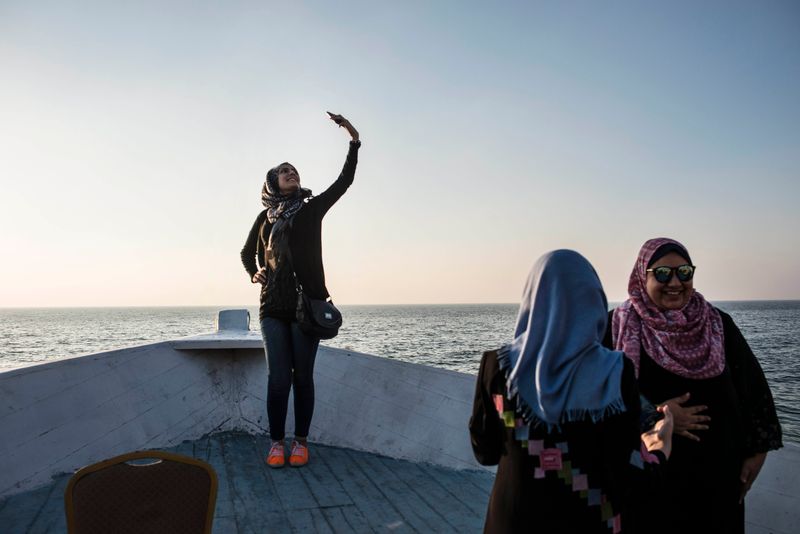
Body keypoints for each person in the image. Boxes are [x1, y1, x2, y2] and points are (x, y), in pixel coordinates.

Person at [470, 249, 673, 534]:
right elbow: (630, 477)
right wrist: (659, 446)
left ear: (532, 299)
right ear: (593, 301)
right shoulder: (616, 372)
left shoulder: (496, 366)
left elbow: (486, 452)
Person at [606, 237, 782, 534]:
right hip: (649, 478)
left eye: (684, 272)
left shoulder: (717, 323)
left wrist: (757, 452)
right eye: (662, 273)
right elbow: (600, 394)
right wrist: (657, 415)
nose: (675, 282)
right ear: (641, 276)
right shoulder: (616, 326)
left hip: (719, 480)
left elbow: (753, 389)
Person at [240, 112, 360, 468]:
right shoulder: (265, 219)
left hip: (306, 306)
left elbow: (345, 181)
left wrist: (352, 137)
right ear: (273, 183)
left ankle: (301, 441)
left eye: (294, 169)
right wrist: (254, 272)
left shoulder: (311, 210)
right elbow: (247, 254)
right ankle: (277, 443)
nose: (291, 172)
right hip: (272, 308)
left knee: (302, 377)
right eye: (284, 170)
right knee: (278, 379)